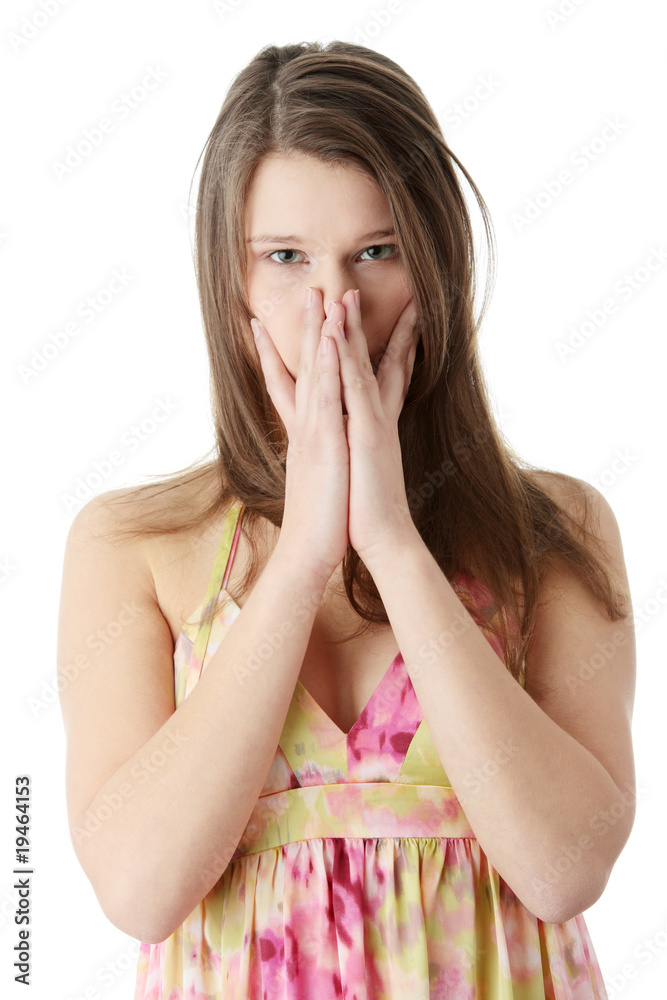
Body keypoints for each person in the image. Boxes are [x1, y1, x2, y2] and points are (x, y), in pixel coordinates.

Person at [57, 40, 635, 999]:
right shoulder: (133, 546)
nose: (335, 307)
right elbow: (138, 890)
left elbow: (563, 870)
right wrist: (299, 560)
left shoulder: (553, 532)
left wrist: (393, 545)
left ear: (436, 267)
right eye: (285, 258)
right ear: (231, 285)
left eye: (376, 252)